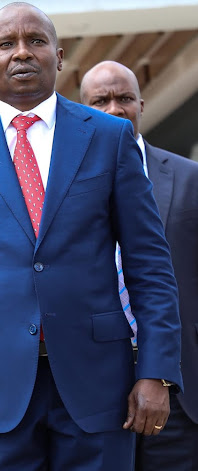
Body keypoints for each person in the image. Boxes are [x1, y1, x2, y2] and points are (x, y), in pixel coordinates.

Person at [0, 2, 183, 471]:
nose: (21, 53)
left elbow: (150, 265)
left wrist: (156, 371)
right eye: (5, 44)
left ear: (59, 54)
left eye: (35, 41)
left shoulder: (110, 137)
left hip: (100, 384)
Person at [81, 60, 198, 470]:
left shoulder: (189, 178)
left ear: (141, 105)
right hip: (93, 390)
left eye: (124, 98)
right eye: (101, 100)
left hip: (182, 386)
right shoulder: (64, 188)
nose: (114, 109)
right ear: (83, 110)